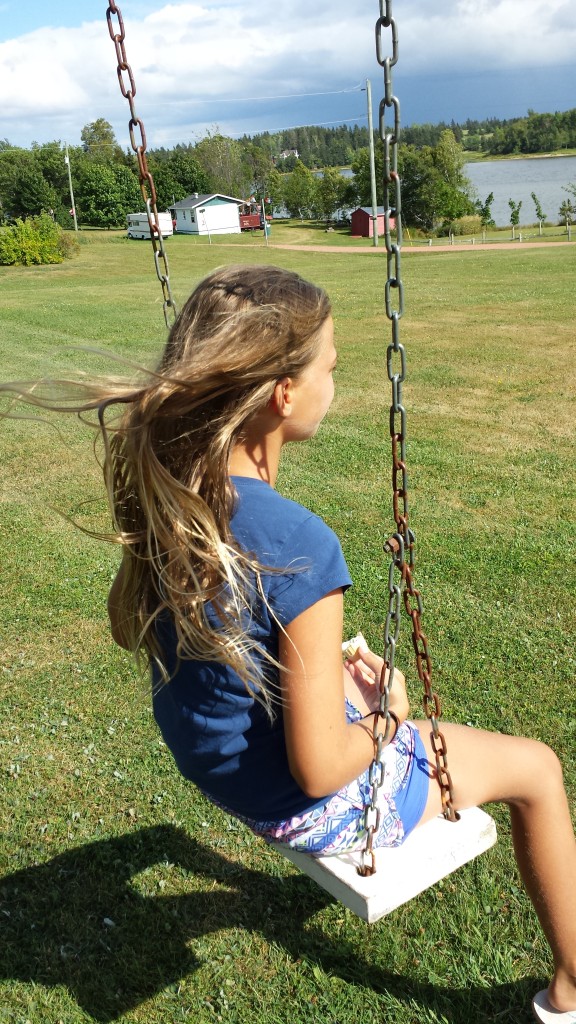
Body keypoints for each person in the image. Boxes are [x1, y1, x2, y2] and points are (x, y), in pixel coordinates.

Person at [5, 264, 575, 1021]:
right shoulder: (299, 546)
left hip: (220, 769)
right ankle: (571, 990)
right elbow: (318, 769)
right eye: (332, 368)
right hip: (300, 800)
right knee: (535, 767)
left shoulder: (177, 491)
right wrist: (390, 716)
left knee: (344, 685)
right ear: (284, 394)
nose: (336, 383)